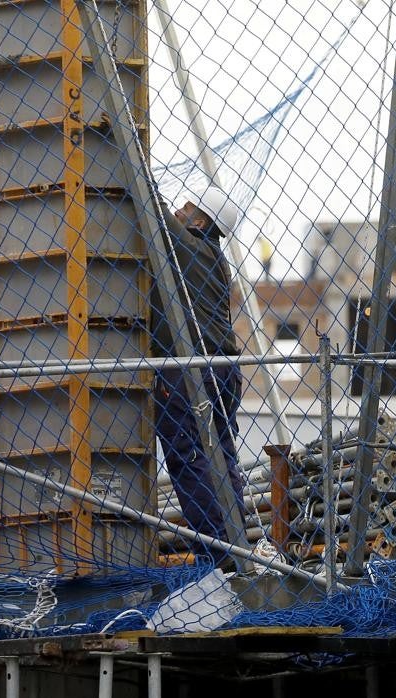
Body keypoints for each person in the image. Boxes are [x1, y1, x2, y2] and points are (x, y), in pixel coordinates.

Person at [151, 187, 246, 563]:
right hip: (224, 370)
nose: (179, 209)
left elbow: (151, 206)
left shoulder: (188, 249)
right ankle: (237, 548)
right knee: (221, 458)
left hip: (192, 371)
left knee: (189, 459)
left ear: (200, 221)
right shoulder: (214, 258)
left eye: (187, 207)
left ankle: (218, 555)